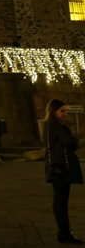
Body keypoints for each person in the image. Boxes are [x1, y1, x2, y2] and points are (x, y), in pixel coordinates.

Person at [44, 99, 83, 244]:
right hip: (58, 166)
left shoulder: (58, 124)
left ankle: (64, 232)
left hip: (60, 165)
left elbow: (70, 144)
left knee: (61, 199)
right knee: (60, 200)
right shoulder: (52, 124)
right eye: (62, 111)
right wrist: (74, 139)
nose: (65, 114)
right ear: (54, 111)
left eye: (66, 111)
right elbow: (69, 141)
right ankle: (64, 232)